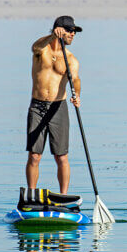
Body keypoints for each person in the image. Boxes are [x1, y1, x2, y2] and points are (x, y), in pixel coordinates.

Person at [25, 15, 83, 195]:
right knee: (35, 155)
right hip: (37, 107)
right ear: (60, 30)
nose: (73, 35)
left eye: (74, 32)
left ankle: (63, 196)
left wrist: (77, 95)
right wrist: (52, 37)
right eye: (70, 31)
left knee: (61, 156)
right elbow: (35, 46)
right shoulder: (41, 51)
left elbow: (76, 79)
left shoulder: (71, 58)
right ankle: (32, 195)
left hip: (58, 108)